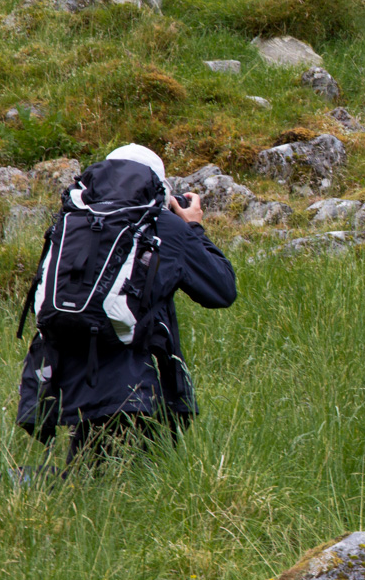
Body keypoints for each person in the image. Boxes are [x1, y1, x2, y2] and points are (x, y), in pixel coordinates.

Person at [16, 144, 237, 469]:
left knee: (90, 484)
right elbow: (222, 289)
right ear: (158, 186)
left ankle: (31, 488)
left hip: (65, 382)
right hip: (133, 387)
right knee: (123, 490)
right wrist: (192, 227)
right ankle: (23, 483)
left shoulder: (72, 222)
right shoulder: (164, 227)